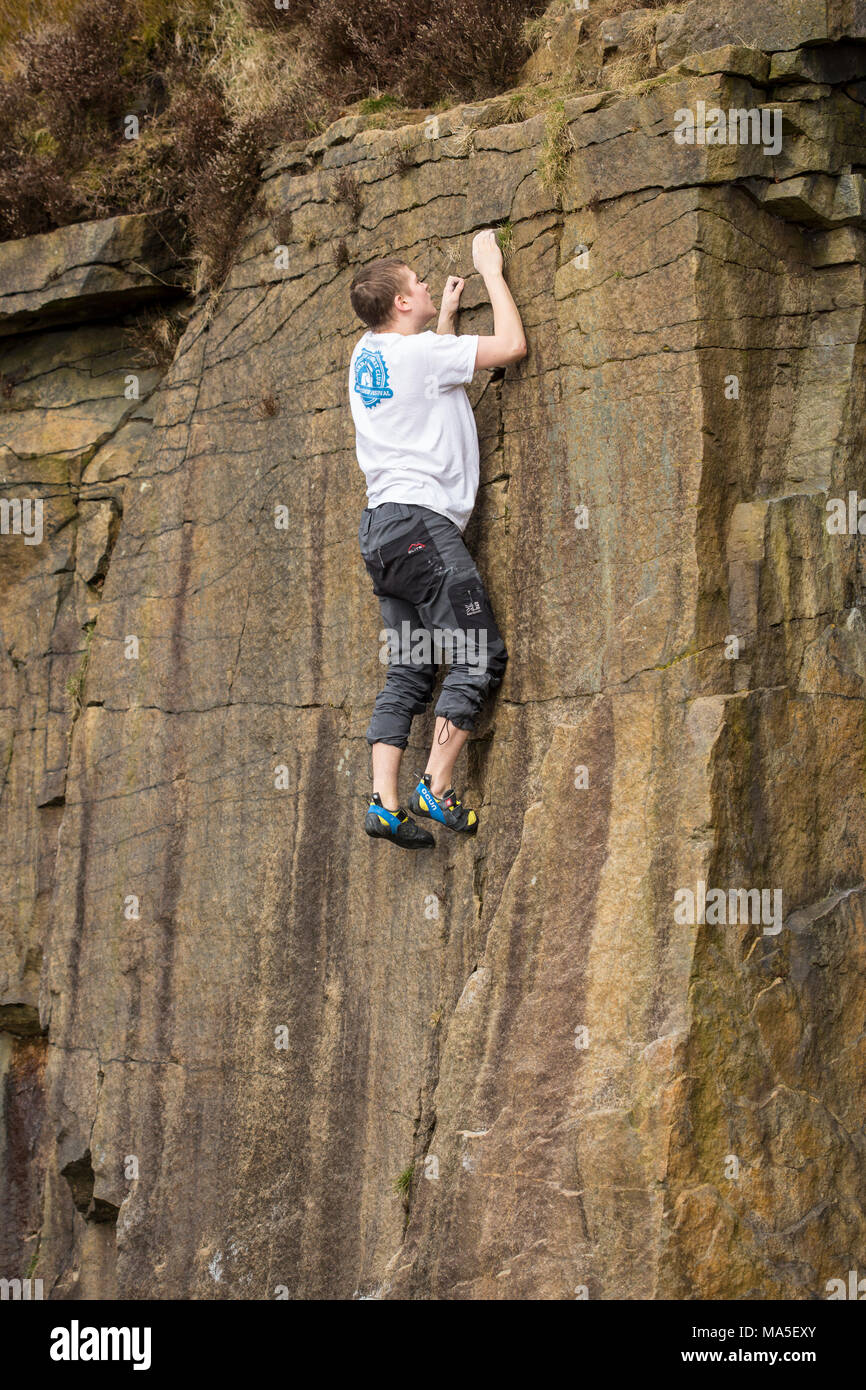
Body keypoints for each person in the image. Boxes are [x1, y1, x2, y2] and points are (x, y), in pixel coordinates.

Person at [349, 229, 526, 849]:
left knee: (411, 667)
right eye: (417, 283)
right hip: (423, 526)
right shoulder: (417, 354)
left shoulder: (366, 353)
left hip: (380, 533)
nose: (424, 285)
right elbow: (511, 346)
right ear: (400, 304)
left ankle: (386, 805)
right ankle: (436, 786)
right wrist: (491, 270)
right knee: (479, 653)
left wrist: (445, 317)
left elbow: (425, 376)